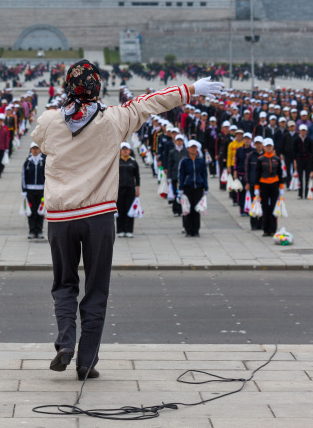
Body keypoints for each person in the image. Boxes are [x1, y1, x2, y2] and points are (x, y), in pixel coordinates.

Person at [31, 59, 223, 380]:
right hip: (98, 216)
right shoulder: (114, 119)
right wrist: (190, 89)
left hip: (61, 216)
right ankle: (86, 361)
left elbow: (41, 141)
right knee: (96, 288)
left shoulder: (50, 120)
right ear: (98, 88)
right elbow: (150, 102)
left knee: (64, 283)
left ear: (68, 87)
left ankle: (66, 340)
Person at [178, 140, 208, 238]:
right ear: (188, 149)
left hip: (198, 187)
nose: (193, 149)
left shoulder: (201, 161)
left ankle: (196, 230)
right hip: (187, 187)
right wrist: (180, 188)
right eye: (191, 147)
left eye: (195, 147)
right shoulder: (184, 161)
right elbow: (181, 175)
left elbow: (204, 174)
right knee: (187, 209)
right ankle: (188, 229)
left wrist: (206, 187)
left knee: (196, 209)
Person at [255, 137, 283, 237]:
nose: (269, 148)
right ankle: (266, 229)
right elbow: (257, 174)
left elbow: (280, 173)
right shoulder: (261, 159)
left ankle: (273, 229)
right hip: (264, 184)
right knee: (265, 207)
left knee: (274, 207)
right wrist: (256, 188)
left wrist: (281, 187)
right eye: (267, 146)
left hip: (274, 183)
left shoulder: (277, 159)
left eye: (270, 146)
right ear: (264, 147)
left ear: (273, 147)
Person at [21, 141, 46, 239]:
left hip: (41, 190)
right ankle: (32, 230)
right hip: (30, 190)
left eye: (37, 148)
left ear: (40, 150)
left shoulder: (43, 161)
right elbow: (23, 176)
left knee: (41, 211)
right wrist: (24, 190)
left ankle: (39, 230)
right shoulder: (28, 162)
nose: (35, 150)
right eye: (33, 149)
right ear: (31, 150)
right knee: (31, 211)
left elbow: (47, 176)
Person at [116, 142, 140, 238]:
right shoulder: (117, 162)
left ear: (129, 151)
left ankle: (129, 230)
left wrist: (137, 189)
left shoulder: (133, 162)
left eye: (127, 149)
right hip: (119, 189)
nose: (125, 151)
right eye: (123, 149)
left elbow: (137, 177)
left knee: (130, 210)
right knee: (120, 210)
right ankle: (120, 230)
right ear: (120, 151)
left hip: (130, 189)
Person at [167, 133, 188, 216]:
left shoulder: (186, 152)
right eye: (178, 140)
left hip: (184, 177)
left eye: (181, 140)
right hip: (174, 176)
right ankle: (176, 210)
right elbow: (170, 165)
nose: (179, 142)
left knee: (183, 193)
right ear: (175, 141)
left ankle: (183, 209)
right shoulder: (172, 152)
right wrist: (169, 177)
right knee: (176, 193)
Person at [293, 124, 313, 199]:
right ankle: (300, 193)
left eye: (304, 130)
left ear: (306, 131)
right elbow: (294, 151)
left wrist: (311, 161)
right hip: (299, 159)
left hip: (307, 159)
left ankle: (307, 193)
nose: (303, 132)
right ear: (299, 131)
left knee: (307, 177)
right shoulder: (296, 140)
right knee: (300, 178)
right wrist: (295, 162)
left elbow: (311, 151)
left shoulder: (309, 140)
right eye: (302, 130)